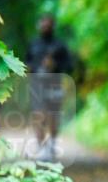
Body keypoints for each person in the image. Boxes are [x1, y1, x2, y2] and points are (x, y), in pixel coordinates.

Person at [25, 14, 75, 161]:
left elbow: (70, 66)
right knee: (38, 115)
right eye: (43, 24)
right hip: (36, 84)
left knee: (53, 116)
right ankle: (41, 147)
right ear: (39, 26)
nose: (45, 27)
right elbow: (26, 63)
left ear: (53, 26)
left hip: (54, 84)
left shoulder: (60, 45)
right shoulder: (33, 44)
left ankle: (51, 145)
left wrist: (55, 65)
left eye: (48, 24)